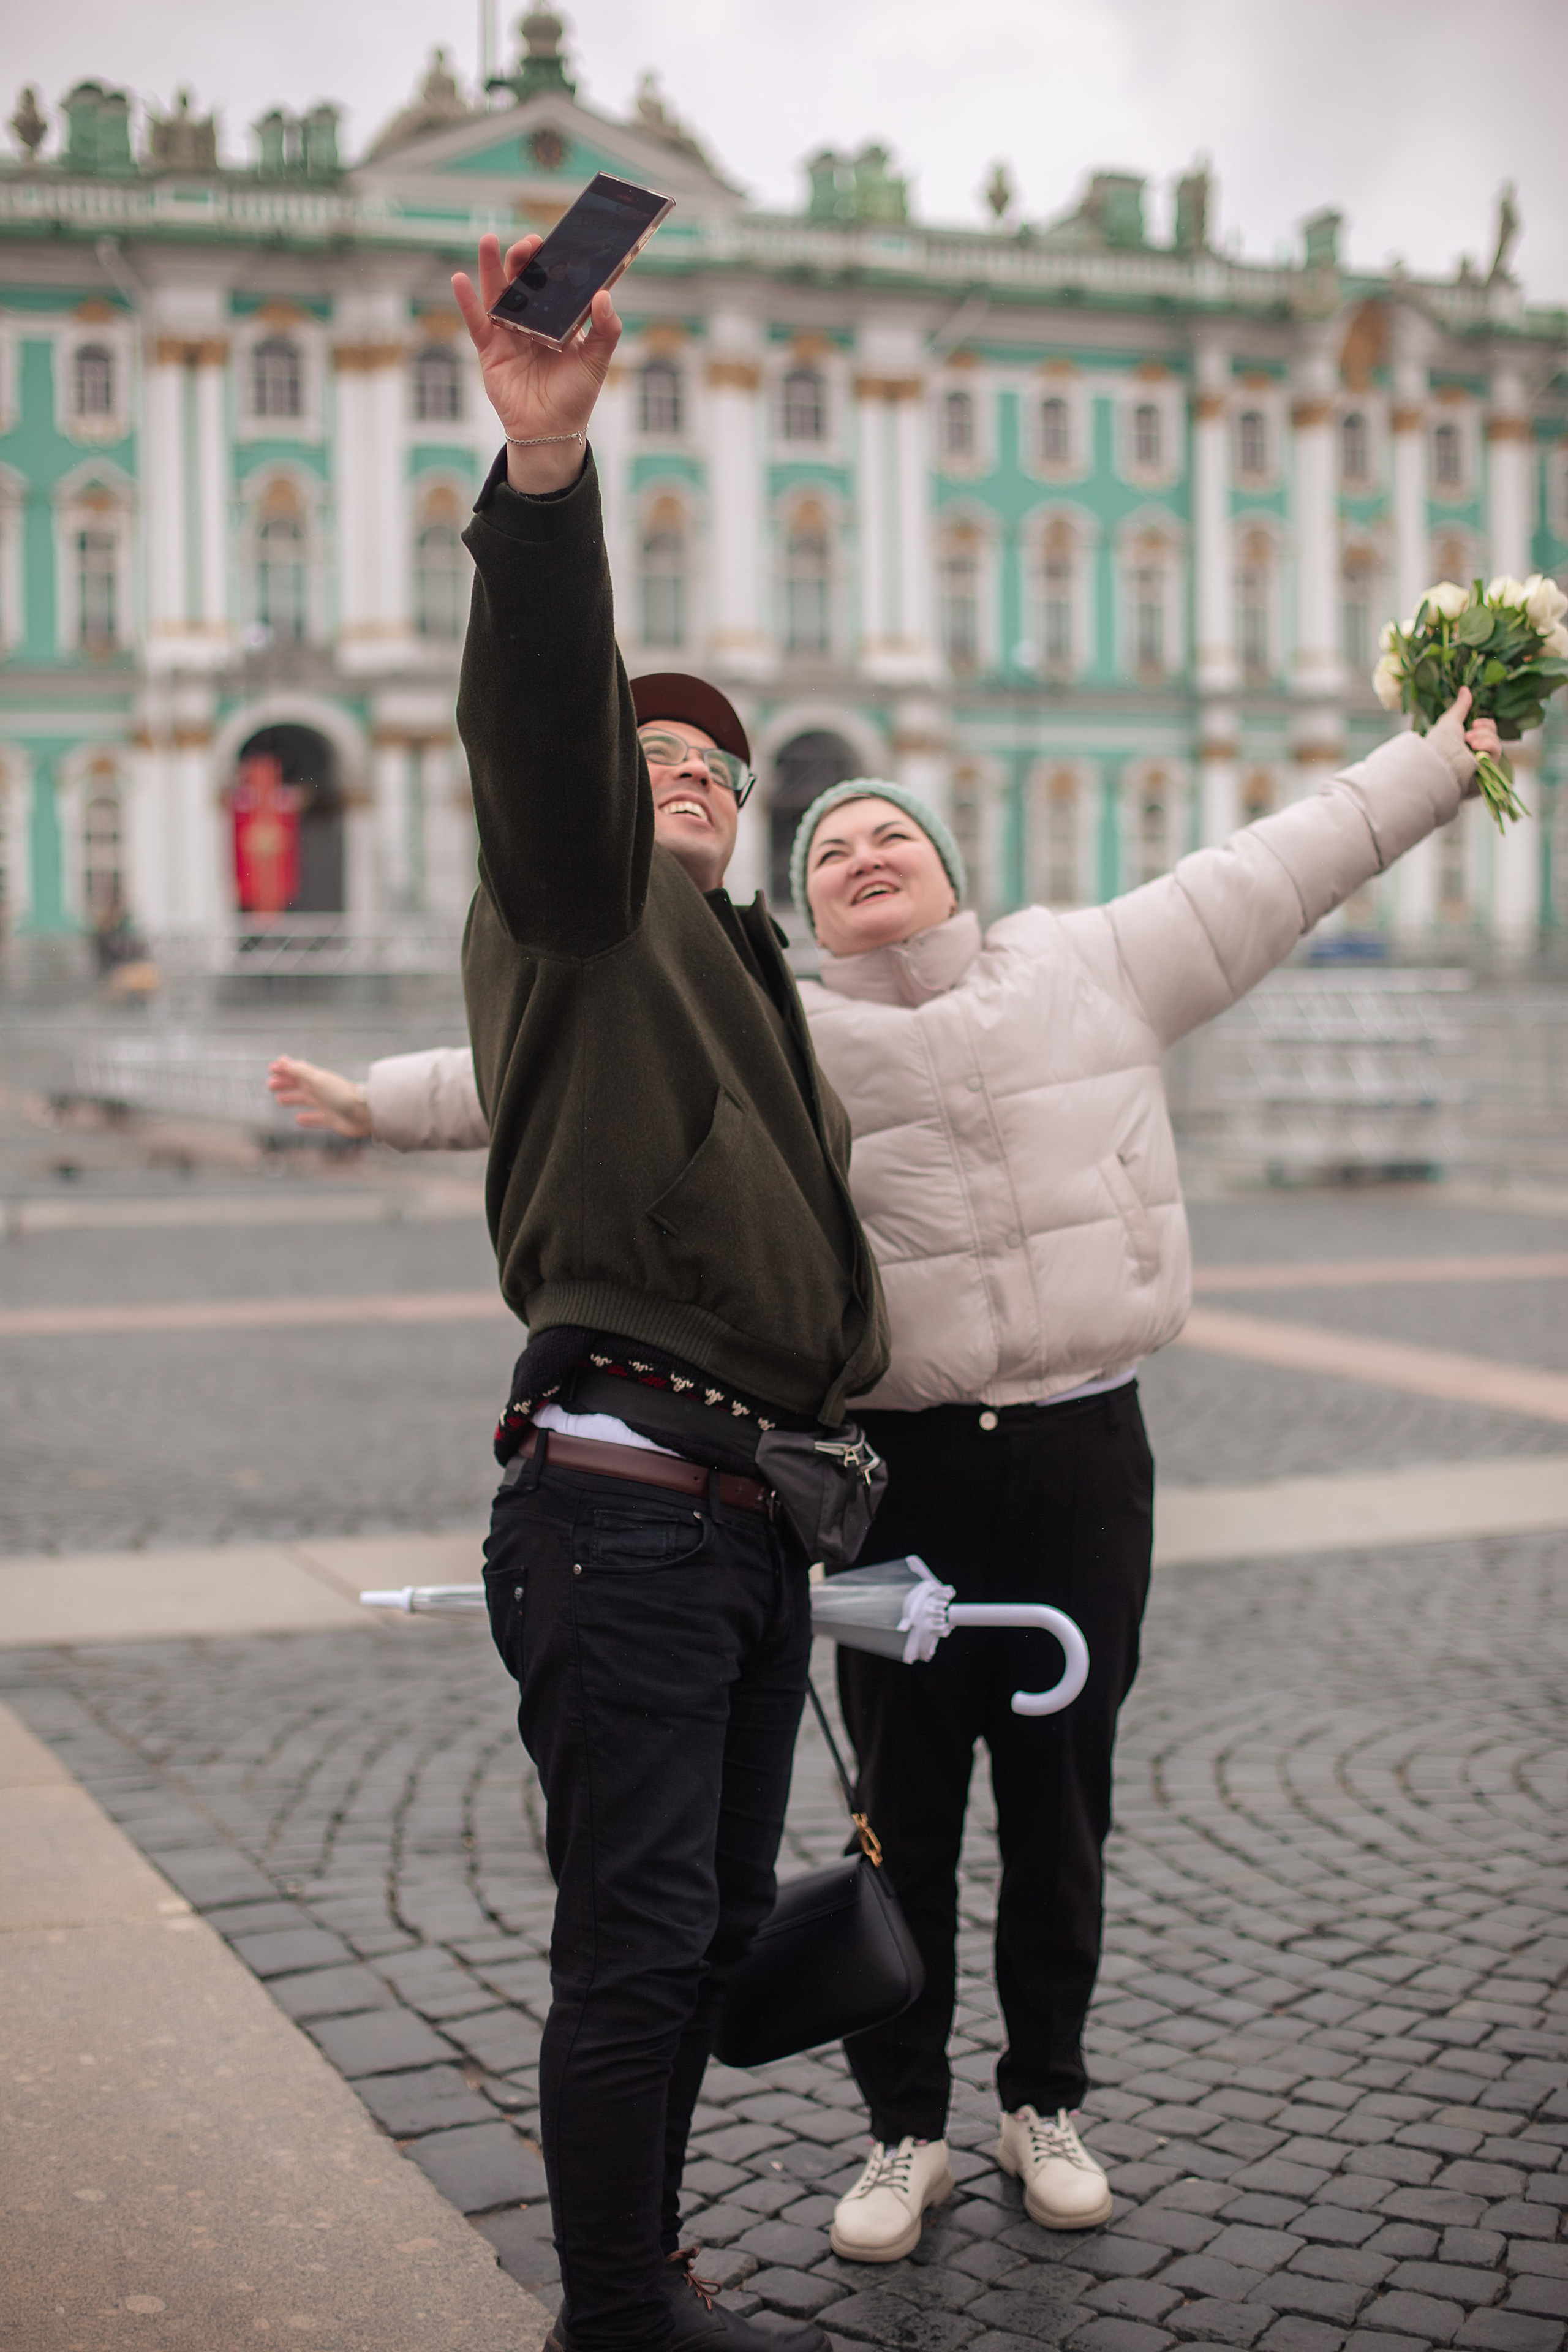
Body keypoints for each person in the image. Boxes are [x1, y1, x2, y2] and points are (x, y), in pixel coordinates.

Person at [274, 645, 1499, 2248]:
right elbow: (549, 1070)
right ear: (810, 901)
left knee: (1064, 1799)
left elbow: (1287, 861)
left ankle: (1043, 2099)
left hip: (1082, 1452)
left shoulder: (1100, 966)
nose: (863, 859)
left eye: (890, 839)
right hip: (897, 1474)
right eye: (832, 852)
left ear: (948, 870)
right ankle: (902, 2127)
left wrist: (1440, 756)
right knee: (900, 1816)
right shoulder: (786, 1027)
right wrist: (377, 1100)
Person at [364, 228, 889, 2352]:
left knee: (681, 1939)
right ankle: (615, 2304)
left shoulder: (744, 975)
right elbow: (550, 732)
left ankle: (640, 2276)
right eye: (652, 754)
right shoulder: (576, 903)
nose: (688, 774)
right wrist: (550, 472)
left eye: (715, 770)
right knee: (639, 1931)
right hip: (634, 1509)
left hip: (751, 1515)